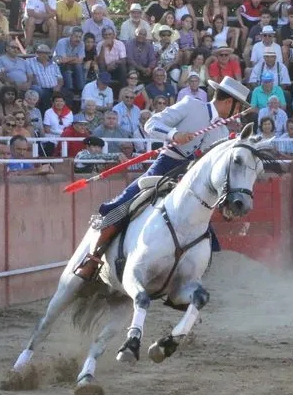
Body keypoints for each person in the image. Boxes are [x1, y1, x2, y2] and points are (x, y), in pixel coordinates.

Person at [73, 76, 251, 280]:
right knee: (123, 203)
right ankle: (93, 258)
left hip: (192, 181)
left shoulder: (222, 131)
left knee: (203, 226)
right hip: (166, 167)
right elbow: (151, 124)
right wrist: (174, 135)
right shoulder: (191, 105)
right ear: (228, 102)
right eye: (238, 107)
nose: (238, 113)